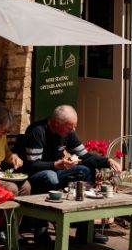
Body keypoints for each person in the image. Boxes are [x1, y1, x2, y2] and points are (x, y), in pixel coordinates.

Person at [20, 104, 120, 243]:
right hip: (35, 174)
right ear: (56, 123)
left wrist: (107, 161)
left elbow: (84, 155)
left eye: (74, 126)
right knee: (50, 176)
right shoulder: (37, 131)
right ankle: (41, 229)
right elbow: (32, 165)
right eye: (70, 127)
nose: (73, 130)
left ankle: (85, 229)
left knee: (85, 169)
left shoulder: (67, 132)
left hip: (56, 170)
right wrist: (57, 164)